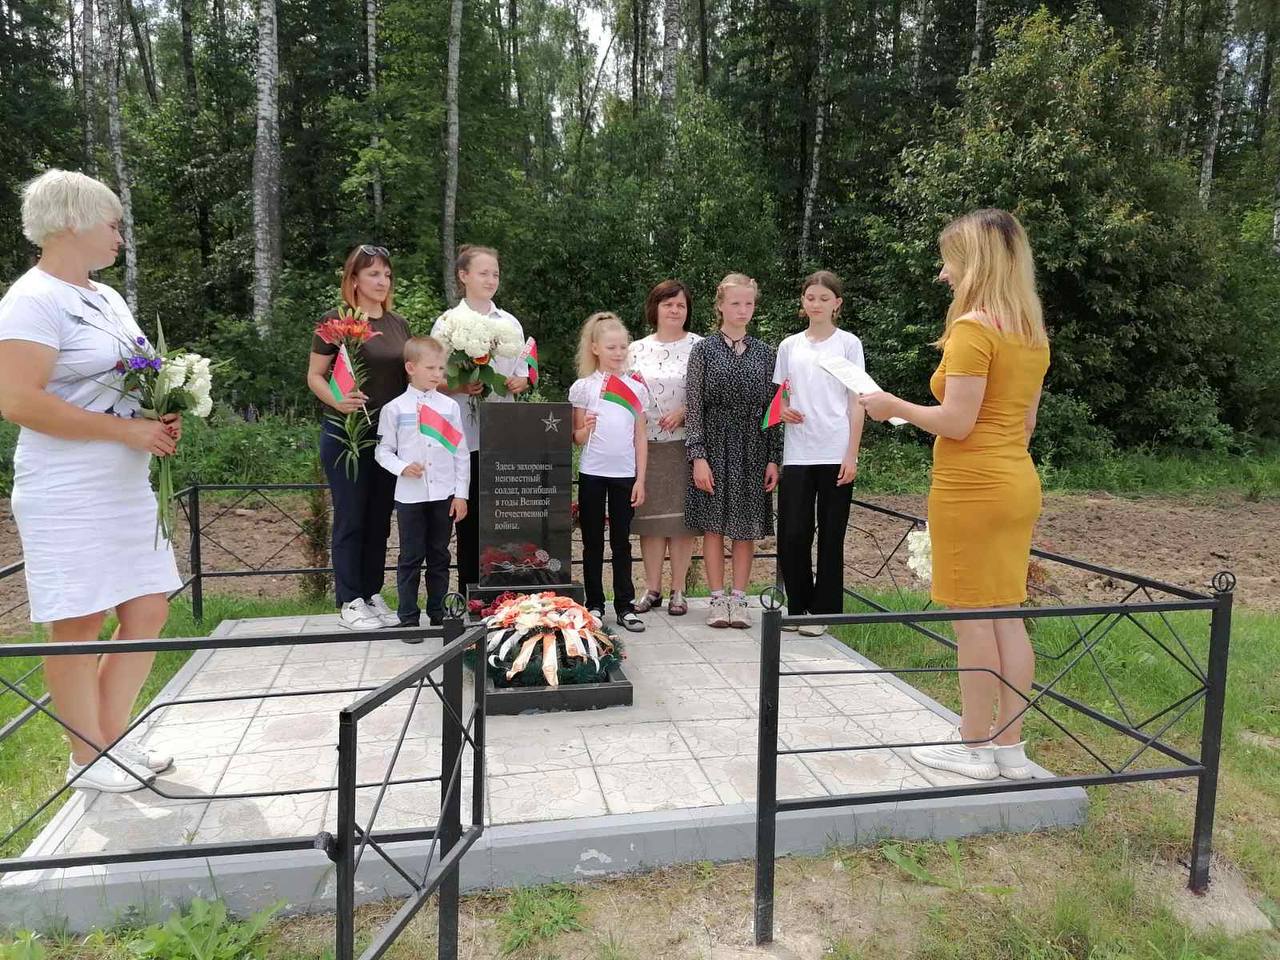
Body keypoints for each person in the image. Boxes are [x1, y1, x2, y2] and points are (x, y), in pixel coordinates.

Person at [0, 170, 182, 793]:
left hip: (124, 481)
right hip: (67, 485)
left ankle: (112, 741)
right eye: (112, 223)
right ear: (72, 222)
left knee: (149, 607)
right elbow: (18, 401)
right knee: (78, 621)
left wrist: (159, 415)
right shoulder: (31, 300)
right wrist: (124, 432)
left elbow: (130, 376)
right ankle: (88, 758)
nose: (119, 237)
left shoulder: (107, 298)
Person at [860, 208, 1050, 782]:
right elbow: (1025, 425)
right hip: (1015, 482)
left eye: (950, 262)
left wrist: (891, 406)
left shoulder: (974, 328)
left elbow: (957, 421)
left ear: (975, 264)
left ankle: (972, 747)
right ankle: (1009, 748)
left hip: (971, 490)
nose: (943, 274)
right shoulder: (1030, 333)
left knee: (972, 621)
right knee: (1006, 614)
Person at [307, 245, 410, 630]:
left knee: (380, 520)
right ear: (353, 279)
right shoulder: (335, 321)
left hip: (387, 439)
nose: (382, 282)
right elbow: (315, 376)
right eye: (373, 274)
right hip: (347, 435)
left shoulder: (399, 325)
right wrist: (337, 401)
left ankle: (370, 593)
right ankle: (349, 600)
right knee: (351, 517)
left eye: (387, 274)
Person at [684, 274, 781, 630]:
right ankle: (716, 599)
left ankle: (739, 599)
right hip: (713, 445)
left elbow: (774, 409)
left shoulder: (767, 353)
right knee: (714, 526)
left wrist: (773, 457)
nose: (743, 310)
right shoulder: (703, 350)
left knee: (745, 527)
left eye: (749, 303)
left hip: (753, 447)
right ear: (721, 306)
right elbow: (694, 406)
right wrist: (698, 456)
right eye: (736, 303)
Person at [432, 245, 530, 593]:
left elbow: (523, 371)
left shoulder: (510, 323)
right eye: (483, 273)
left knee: (503, 517)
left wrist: (522, 380)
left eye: (495, 274)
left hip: (503, 434)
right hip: (463, 435)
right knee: (469, 517)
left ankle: (505, 589)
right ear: (463, 276)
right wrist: (460, 386)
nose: (491, 280)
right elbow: (431, 378)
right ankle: (470, 591)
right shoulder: (447, 323)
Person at [774, 271, 866, 637]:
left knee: (831, 534)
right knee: (793, 534)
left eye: (824, 298)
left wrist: (851, 454)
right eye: (810, 297)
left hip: (835, 449)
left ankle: (824, 612)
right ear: (803, 301)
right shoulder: (789, 346)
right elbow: (780, 395)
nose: (816, 304)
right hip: (798, 452)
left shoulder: (848, 344)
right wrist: (782, 410)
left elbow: (857, 400)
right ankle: (798, 607)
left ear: (836, 303)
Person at [374, 337, 470, 639]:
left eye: (441, 368)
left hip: (443, 494)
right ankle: (408, 618)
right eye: (430, 368)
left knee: (440, 556)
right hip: (410, 496)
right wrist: (402, 467)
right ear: (411, 367)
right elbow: (382, 451)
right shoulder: (394, 409)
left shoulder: (449, 407)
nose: (437, 374)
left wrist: (461, 494)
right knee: (410, 557)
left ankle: (439, 615)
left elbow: (460, 452)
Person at [569, 312, 649, 633]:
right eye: (611, 347)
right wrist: (585, 428)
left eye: (622, 347)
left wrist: (640, 479)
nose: (618, 353)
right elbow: (576, 438)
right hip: (592, 473)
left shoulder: (636, 388)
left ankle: (625, 606)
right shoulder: (583, 388)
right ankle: (594, 604)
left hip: (625, 475)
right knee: (592, 542)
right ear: (595, 348)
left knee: (622, 542)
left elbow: (640, 436)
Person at [626, 279, 701, 617]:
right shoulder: (635, 349)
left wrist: (684, 411)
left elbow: (709, 393)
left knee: (683, 523)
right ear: (654, 308)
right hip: (647, 447)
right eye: (668, 304)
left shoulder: (700, 346)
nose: (674, 310)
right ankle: (652, 588)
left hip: (687, 445)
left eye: (680, 305)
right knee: (651, 522)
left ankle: (678, 590)